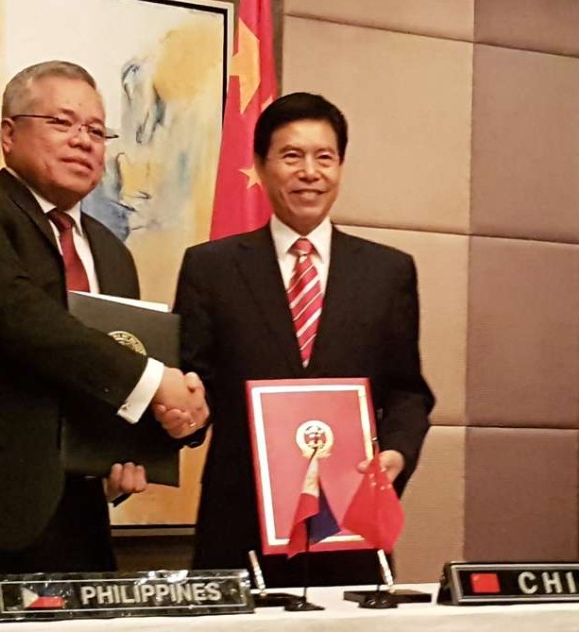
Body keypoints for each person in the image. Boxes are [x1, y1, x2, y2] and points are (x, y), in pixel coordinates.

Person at [0, 61, 208, 599]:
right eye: (62, 122)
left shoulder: (111, 252)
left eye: (96, 130)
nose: (84, 141)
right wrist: (156, 384)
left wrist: (164, 427)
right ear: (8, 133)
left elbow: (107, 364)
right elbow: (16, 316)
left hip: (76, 526)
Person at [174, 92, 434, 587]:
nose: (309, 172)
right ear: (260, 165)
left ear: (340, 166)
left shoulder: (388, 272)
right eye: (291, 156)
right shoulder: (210, 268)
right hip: (239, 524)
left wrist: (397, 452)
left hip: (349, 521)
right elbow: (193, 382)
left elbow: (406, 390)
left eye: (324, 157)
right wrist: (181, 413)